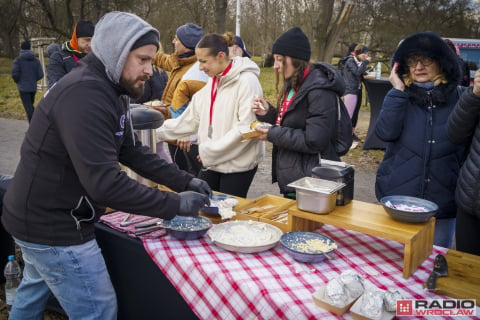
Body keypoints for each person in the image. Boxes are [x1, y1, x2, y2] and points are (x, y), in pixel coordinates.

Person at [1, 12, 211, 319]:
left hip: (38, 216)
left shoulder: (112, 90)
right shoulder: (85, 94)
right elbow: (105, 183)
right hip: (53, 226)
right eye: (142, 60)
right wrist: (176, 204)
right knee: (97, 310)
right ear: (116, 52)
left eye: (151, 61)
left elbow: (131, 151)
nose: (150, 71)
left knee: (33, 293)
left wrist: (184, 180)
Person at [375, 31, 465, 248]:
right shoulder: (398, 96)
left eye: (427, 60)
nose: (418, 67)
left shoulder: (461, 98)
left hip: (443, 201)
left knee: (433, 262)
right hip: (399, 198)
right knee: (393, 264)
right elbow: (385, 133)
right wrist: (397, 90)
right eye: (413, 61)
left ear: (442, 63)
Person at [157, 32, 264, 197]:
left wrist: (209, 151)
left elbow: (246, 129)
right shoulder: (213, 83)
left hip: (237, 166)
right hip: (212, 162)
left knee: (228, 214)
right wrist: (153, 132)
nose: (199, 67)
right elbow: (189, 120)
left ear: (221, 56)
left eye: (203, 61)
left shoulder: (247, 82)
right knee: (202, 205)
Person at [251, 27, 345, 198]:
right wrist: (268, 113)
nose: (275, 66)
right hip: (295, 176)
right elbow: (290, 123)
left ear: (295, 60)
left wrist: (272, 133)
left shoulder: (320, 91)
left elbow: (314, 140)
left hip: (311, 180)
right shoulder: (294, 83)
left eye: (279, 60)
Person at [152, 23, 207, 174]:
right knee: (180, 172)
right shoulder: (180, 60)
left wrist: (187, 134)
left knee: (191, 174)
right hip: (175, 129)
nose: (173, 42)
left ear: (187, 44)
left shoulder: (198, 70)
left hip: (187, 138)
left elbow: (199, 107)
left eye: (177, 39)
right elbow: (163, 60)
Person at [446, 69, 480, 255]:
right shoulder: (475, 94)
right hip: (470, 200)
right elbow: (454, 134)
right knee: (466, 272)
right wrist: (474, 95)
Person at [47, 19, 94, 88]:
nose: (90, 45)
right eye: (87, 40)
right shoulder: (59, 57)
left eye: (93, 40)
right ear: (76, 39)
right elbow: (55, 88)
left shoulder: (97, 57)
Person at [341, 44, 371, 141]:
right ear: (358, 53)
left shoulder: (357, 62)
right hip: (350, 90)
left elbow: (360, 72)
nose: (365, 56)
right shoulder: (350, 61)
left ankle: (351, 133)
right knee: (348, 115)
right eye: (363, 54)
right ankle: (342, 136)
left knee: (355, 113)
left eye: (366, 54)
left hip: (357, 90)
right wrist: (365, 63)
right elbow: (357, 72)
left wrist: (366, 70)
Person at [11, 41, 44, 123]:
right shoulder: (36, 60)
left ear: (21, 48)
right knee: (31, 107)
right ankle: (37, 124)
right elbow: (40, 74)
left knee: (29, 109)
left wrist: (18, 81)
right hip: (33, 87)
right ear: (30, 48)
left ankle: (34, 128)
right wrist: (33, 79)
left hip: (23, 88)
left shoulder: (17, 60)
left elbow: (15, 74)